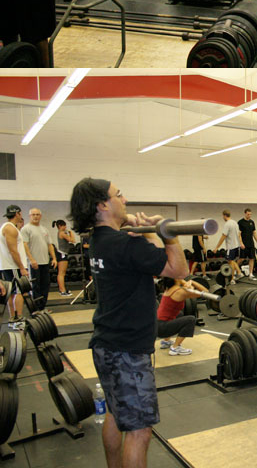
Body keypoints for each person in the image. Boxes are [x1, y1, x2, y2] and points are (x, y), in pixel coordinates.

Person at [68, 177, 187, 468]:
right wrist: (167, 233)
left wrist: (141, 232)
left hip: (106, 345)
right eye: (119, 195)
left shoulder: (99, 240)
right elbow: (178, 268)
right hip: (128, 352)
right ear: (103, 205)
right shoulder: (123, 244)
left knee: (114, 412)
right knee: (138, 431)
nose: (126, 200)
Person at [157, 277, 205, 356]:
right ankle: (175, 348)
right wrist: (192, 282)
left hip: (156, 327)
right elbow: (205, 292)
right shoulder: (180, 292)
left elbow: (179, 281)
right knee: (191, 319)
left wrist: (185, 283)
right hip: (162, 329)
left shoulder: (168, 289)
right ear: (176, 279)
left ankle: (166, 341)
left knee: (179, 314)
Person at [21, 208, 56, 310]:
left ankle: (42, 307)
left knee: (45, 285)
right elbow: (24, 245)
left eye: (37, 214)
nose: (35, 216)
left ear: (40, 216)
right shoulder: (26, 229)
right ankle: (36, 309)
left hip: (45, 262)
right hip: (34, 264)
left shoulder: (44, 229)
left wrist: (54, 258)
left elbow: (50, 245)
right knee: (35, 286)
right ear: (30, 216)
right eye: (33, 215)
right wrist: (31, 260)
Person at [0, 205, 27, 329]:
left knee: (11, 293)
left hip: (8, 265)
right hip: (13, 265)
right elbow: (13, 251)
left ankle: (13, 319)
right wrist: (21, 267)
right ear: (18, 214)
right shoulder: (10, 229)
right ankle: (18, 319)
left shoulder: (7, 227)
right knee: (19, 292)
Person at [213, 210, 243, 283]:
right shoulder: (235, 223)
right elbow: (239, 234)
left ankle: (232, 279)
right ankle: (239, 273)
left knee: (230, 263)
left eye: (222, 216)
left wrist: (217, 247)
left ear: (224, 215)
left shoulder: (227, 224)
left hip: (231, 246)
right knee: (232, 261)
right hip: (236, 246)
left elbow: (224, 236)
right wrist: (241, 243)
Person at [52, 219, 76, 295]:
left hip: (62, 253)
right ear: (60, 226)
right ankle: (62, 291)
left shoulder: (61, 232)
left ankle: (62, 289)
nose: (65, 227)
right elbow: (72, 240)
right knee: (61, 273)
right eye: (64, 226)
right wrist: (71, 233)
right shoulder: (62, 233)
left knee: (62, 273)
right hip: (62, 254)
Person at [238, 208, 257, 280]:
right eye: (248, 214)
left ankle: (250, 274)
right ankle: (235, 270)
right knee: (241, 259)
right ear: (245, 213)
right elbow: (239, 234)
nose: (249, 215)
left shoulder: (252, 222)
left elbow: (254, 232)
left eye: (250, 214)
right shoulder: (240, 222)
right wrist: (241, 243)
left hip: (251, 243)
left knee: (252, 258)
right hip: (243, 244)